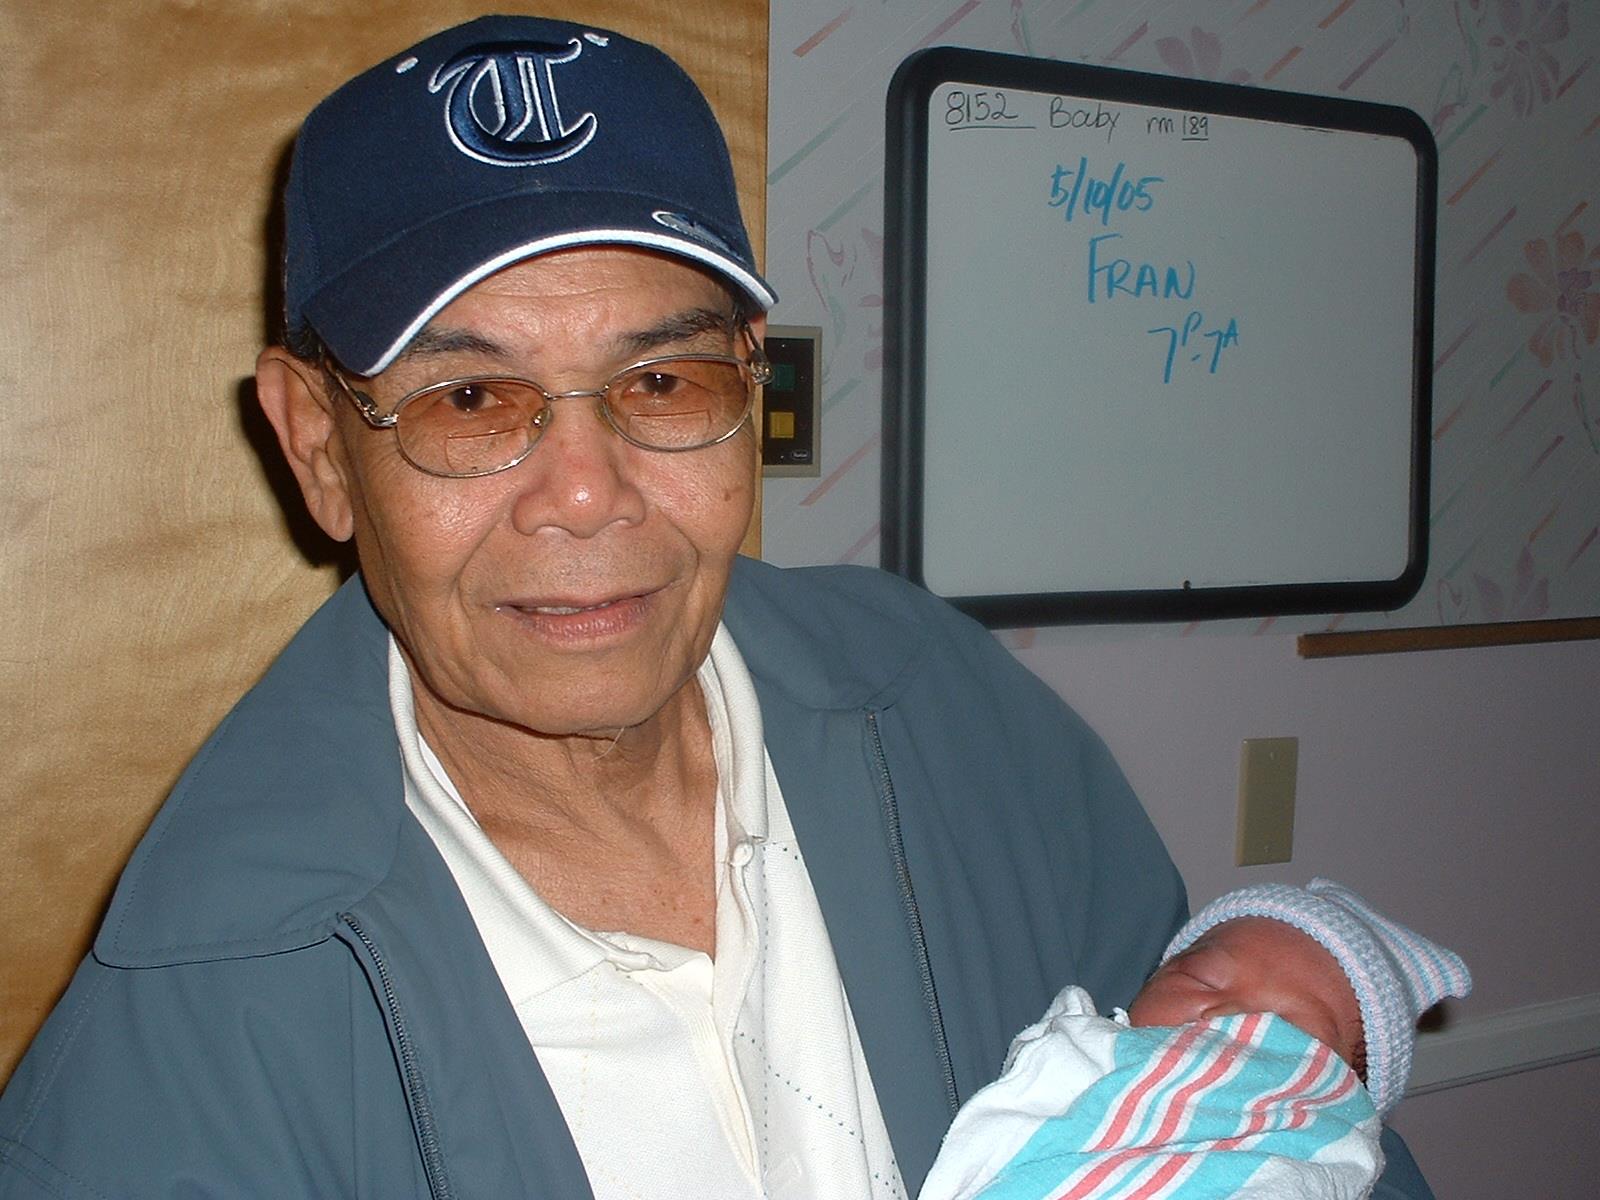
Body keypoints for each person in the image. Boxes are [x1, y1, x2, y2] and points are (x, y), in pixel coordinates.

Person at [0, 15, 1433, 1199]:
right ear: (318, 441)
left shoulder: (952, 712)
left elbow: (1270, 1114)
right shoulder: (188, 1037)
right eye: (469, 396)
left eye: (663, 382)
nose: (585, 493)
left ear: (753, 385)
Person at [920, 880, 1471, 1200]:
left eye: (1287, 1029)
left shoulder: (1317, 1142)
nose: (1232, 1015)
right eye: (1200, 979)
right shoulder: (1088, 1048)